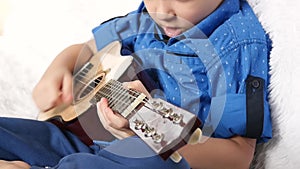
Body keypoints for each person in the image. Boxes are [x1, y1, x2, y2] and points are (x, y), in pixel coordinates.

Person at [0, 0, 272, 168]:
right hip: (84, 138)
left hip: (161, 160)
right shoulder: (147, 16)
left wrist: (152, 134)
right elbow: (84, 48)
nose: (162, 11)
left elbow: (239, 156)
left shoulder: (238, 44)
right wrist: (58, 67)